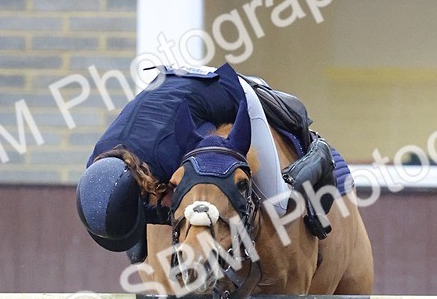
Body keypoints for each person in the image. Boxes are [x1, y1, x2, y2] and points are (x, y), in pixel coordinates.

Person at [76, 62, 337, 261]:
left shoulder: (168, 153)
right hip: (173, 84)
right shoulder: (98, 161)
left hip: (229, 94)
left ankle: (318, 155)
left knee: (279, 204)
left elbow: (218, 152)